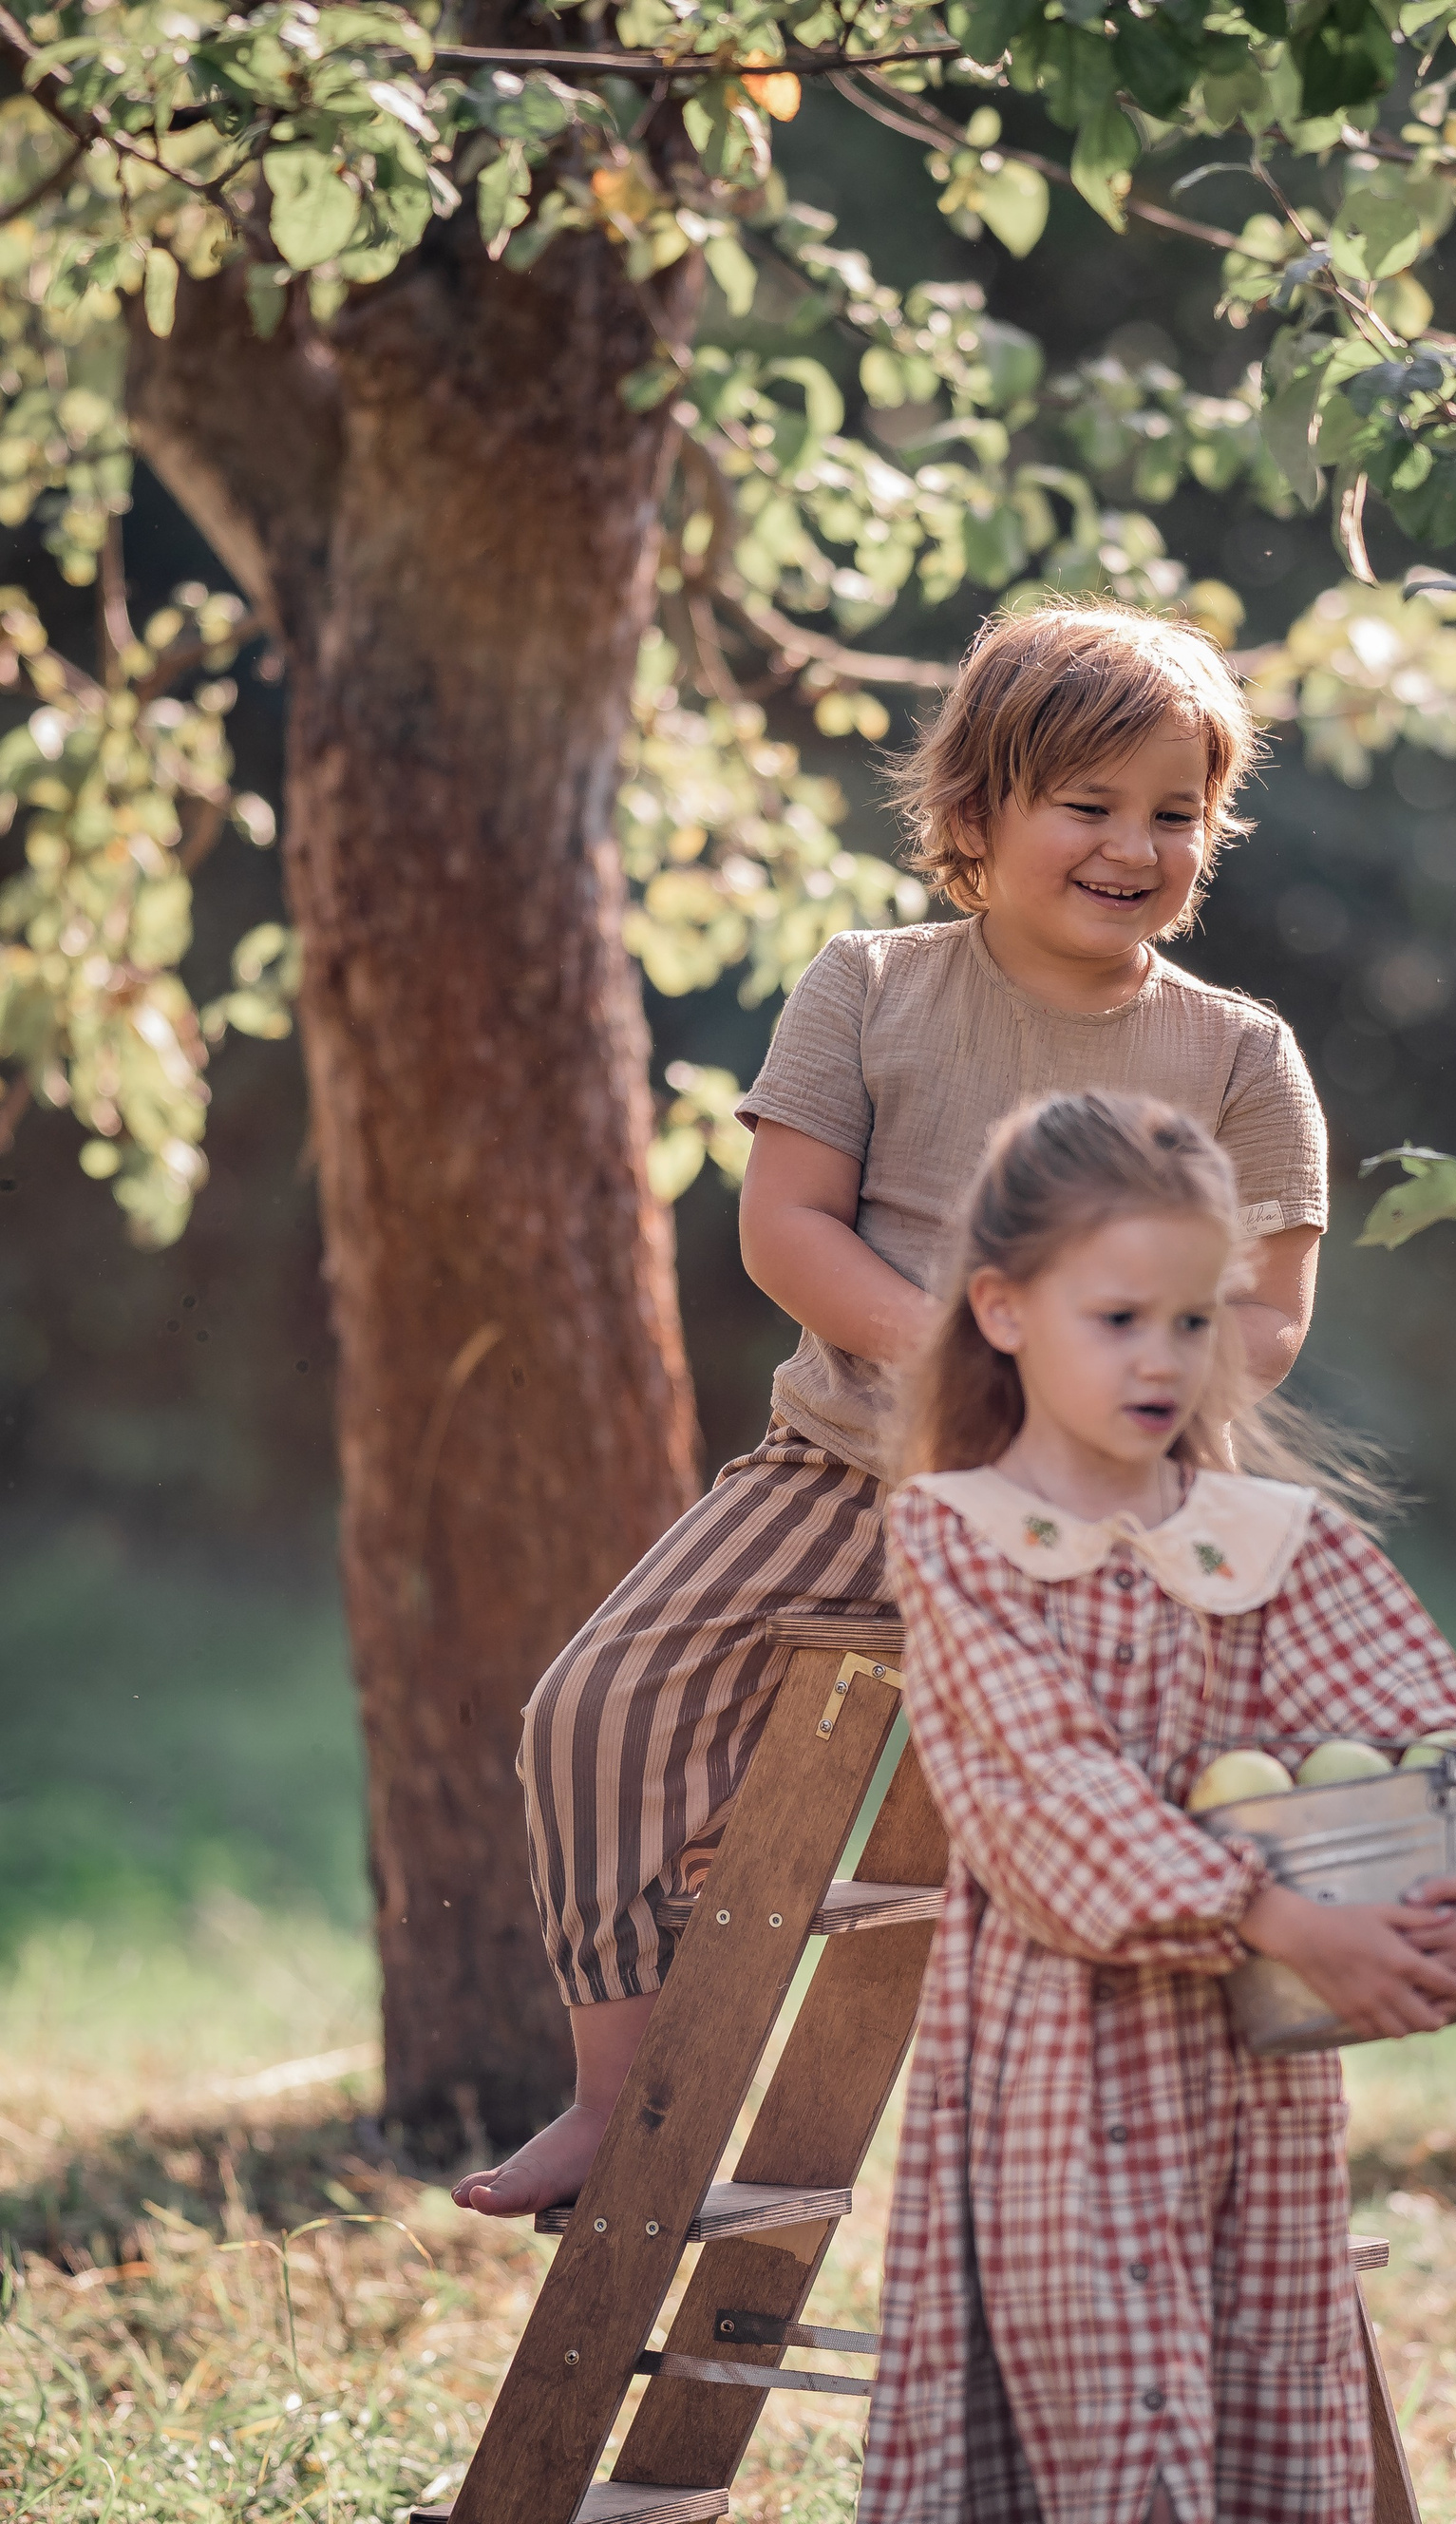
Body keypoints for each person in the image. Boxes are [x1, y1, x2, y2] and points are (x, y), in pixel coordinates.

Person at [455, 605, 1331, 2216]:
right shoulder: (868, 988)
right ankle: (625, 2094)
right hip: (847, 1466)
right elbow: (786, 1225)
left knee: (1163, 1802)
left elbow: (1269, 1311)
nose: (1136, 844)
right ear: (979, 811)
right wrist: (966, 1361)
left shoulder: (1236, 1055)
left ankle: (1178, 2145)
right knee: (593, 1711)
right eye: (1090, 803)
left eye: (1175, 811)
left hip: (1105, 1512)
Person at [865, 1091, 1456, 2524]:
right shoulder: (963, 1536)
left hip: (1257, 2089)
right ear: (1003, 1311)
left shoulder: (1260, 1542)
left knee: (1258, 2399)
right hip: (1063, 2085)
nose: (1164, 1358)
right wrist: (1275, 1912)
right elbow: (1042, 1792)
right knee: (1100, 2436)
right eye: (1120, 1316)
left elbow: (1437, 1721)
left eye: (1196, 1322)